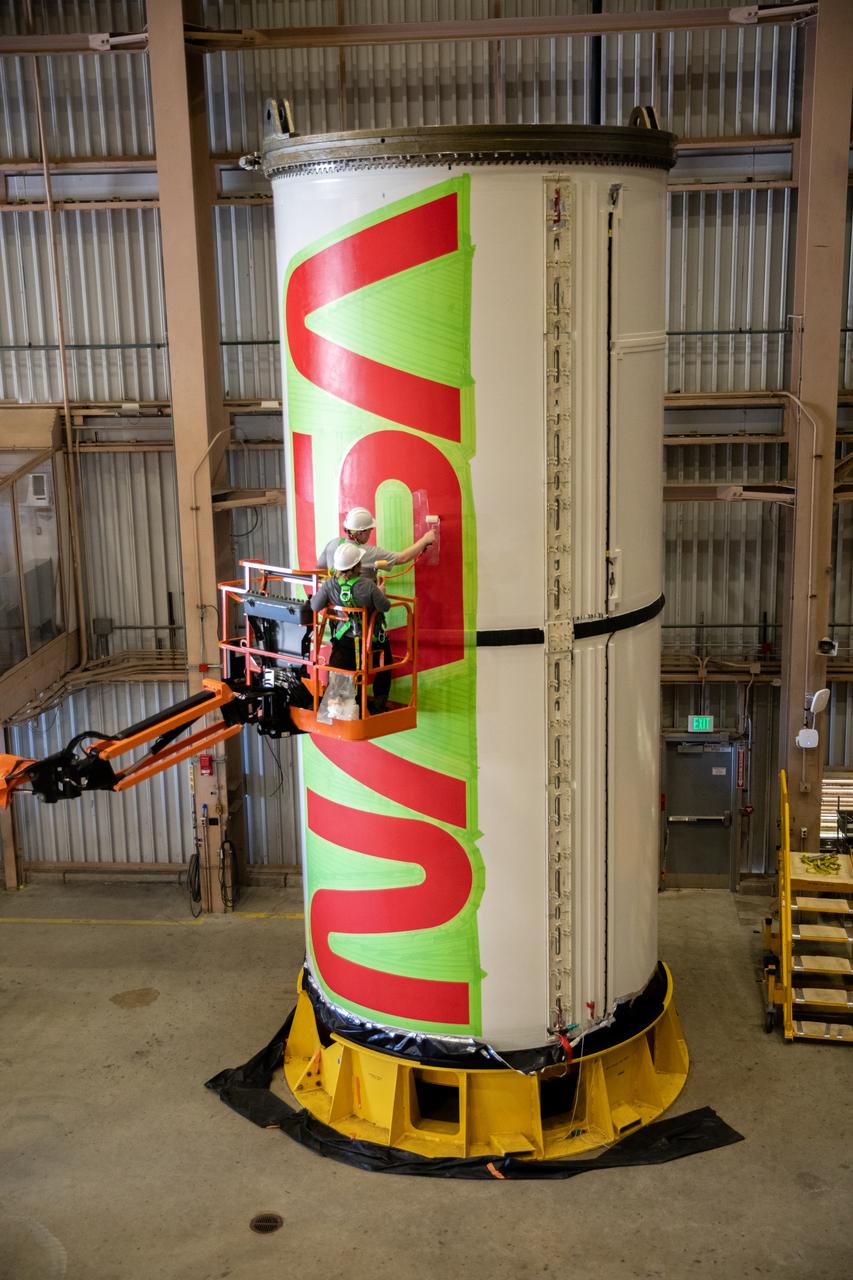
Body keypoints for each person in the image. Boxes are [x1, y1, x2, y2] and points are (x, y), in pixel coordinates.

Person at [310, 541, 393, 712]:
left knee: (338, 669)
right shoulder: (368, 586)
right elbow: (384, 606)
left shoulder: (330, 585)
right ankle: (379, 701)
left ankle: (337, 705)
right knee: (386, 663)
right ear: (357, 566)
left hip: (344, 643)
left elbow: (315, 605)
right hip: (370, 643)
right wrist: (381, 592)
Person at [317, 506, 435, 582]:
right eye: (369, 531)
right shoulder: (369, 553)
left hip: (337, 609)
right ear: (361, 532)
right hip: (363, 610)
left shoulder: (333, 544)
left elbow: (319, 570)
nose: (370, 534)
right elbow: (403, 558)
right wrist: (425, 540)